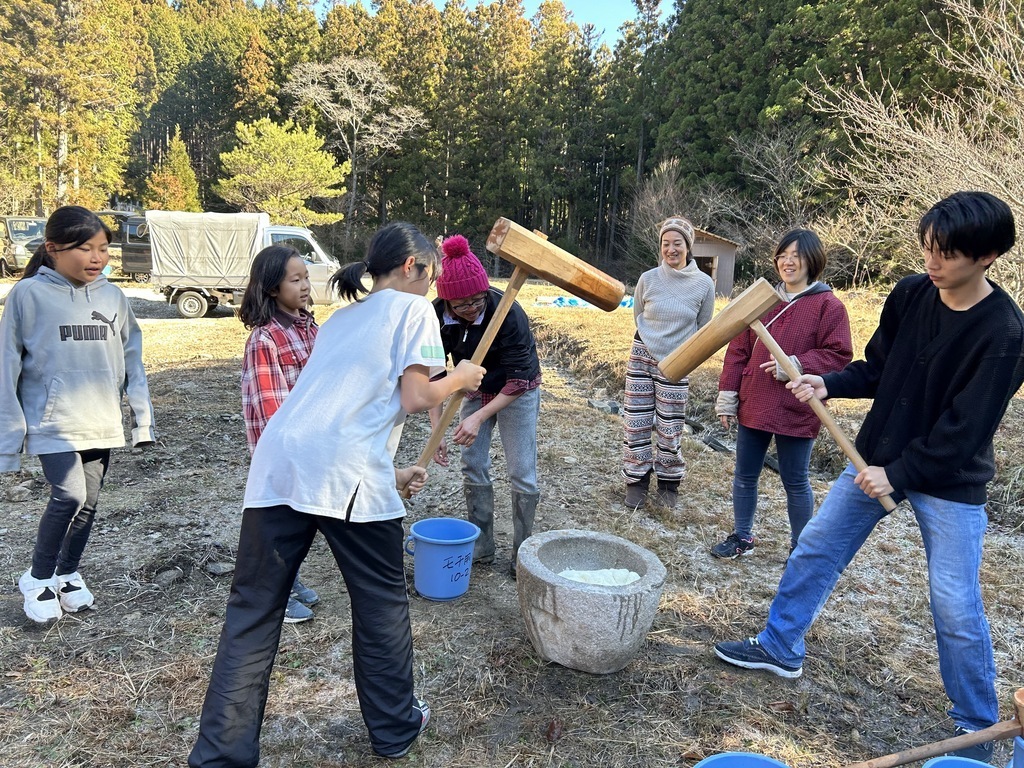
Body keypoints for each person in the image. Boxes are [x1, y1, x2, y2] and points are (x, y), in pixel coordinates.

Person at [714, 191, 1024, 764]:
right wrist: (827, 384)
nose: (931, 262)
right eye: (927, 247)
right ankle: (780, 645)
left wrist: (898, 475)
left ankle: (977, 729)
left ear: (988, 256)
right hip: (874, 458)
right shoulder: (911, 294)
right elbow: (879, 368)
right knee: (816, 547)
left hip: (949, 477)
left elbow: (965, 431)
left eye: (946, 254)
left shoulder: (1004, 334)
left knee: (954, 602)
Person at [188, 222, 485, 765]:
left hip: (279, 466)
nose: (432, 288)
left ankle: (219, 757)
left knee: (252, 612)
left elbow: (338, 411)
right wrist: (462, 378)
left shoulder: (340, 319)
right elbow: (418, 396)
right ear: (413, 268)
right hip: (340, 473)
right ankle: (395, 728)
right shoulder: (412, 308)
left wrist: (387, 472)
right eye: (432, 276)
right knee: (380, 605)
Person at [0, 206, 155, 623]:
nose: (97, 258)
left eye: (103, 248)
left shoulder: (113, 296)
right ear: (52, 249)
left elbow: (133, 359)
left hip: (100, 419)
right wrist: (8, 440)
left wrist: (141, 419)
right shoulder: (28, 296)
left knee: (89, 504)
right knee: (69, 495)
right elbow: (6, 367)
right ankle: (37, 577)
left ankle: (67, 574)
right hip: (52, 422)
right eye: (84, 248)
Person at [712, 230, 853, 559]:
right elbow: (737, 353)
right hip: (755, 400)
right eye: (782, 255)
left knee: (795, 479)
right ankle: (742, 537)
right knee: (745, 475)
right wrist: (728, 396)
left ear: (812, 260)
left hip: (798, 403)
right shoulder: (761, 301)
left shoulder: (827, 306)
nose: (788, 261)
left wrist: (797, 364)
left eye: (796, 255)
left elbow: (838, 354)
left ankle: (800, 546)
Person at [428, 234, 542, 577]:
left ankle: (521, 553)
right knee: (472, 462)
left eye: (477, 299)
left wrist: (478, 417)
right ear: (446, 301)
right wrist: (438, 429)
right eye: (461, 304)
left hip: (515, 391)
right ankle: (482, 544)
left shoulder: (508, 313)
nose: (472, 308)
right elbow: (434, 375)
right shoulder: (435, 316)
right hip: (473, 387)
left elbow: (520, 379)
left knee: (521, 469)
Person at [239, 245, 321, 623]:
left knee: (300, 519)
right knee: (280, 523)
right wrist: (293, 447)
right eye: (295, 279)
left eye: (306, 277)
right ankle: (277, 592)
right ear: (272, 287)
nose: (304, 285)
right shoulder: (266, 339)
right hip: (283, 447)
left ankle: (289, 579)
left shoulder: (310, 327)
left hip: (309, 443)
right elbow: (271, 407)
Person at [623, 216, 716, 510]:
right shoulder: (648, 278)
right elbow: (638, 313)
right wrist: (652, 340)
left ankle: (668, 482)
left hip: (678, 360)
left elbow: (704, 326)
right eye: (666, 243)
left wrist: (679, 353)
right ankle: (636, 479)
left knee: (670, 424)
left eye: (677, 243)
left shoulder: (703, 284)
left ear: (688, 247)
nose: (671, 249)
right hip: (642, 354)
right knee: (636, 420)